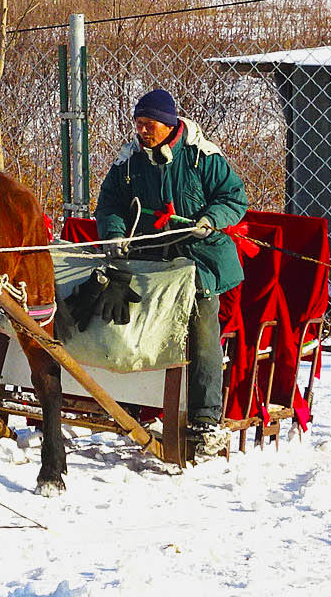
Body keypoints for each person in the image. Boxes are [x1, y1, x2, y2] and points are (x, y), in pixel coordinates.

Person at [94, 87, 247, 457]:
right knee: (135, 327)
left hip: (199, 261)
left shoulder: (201, 157)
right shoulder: (128, 163)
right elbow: (109, 204)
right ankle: (135, 406)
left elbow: (234, 198)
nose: (142, 131)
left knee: (203, 336)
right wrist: (114, 235)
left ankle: (206, 421)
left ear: (168, 124)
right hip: (150, 261)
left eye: (149, 125)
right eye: (138, 124)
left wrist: (211, 220)